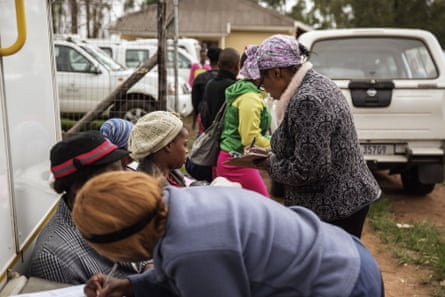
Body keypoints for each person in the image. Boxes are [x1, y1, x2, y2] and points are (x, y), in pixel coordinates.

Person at [73, 170, 384, 297]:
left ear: (123, 242)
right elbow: (180, 272)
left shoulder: (193, 250)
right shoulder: (175, 203)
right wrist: (131, 286)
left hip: (341, 285)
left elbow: (195, 265)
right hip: (341, 252)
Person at [240, 34, 381, 238]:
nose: (265, 90)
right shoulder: (315, 83)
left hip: (335, 207)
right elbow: (306, 144)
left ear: (277, 72)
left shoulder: (307, 101)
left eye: (262, 82)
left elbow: (309, 170)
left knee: (330, 268)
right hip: (340, 201)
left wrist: (268, 163)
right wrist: (270, 153)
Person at [27, 131, 145, 284]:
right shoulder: (54, 257)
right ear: (83, 186)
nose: (127, 178)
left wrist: (148, 271)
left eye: (124, 168)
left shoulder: (112, 211)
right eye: (115, 175)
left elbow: (142, 257)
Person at [215, 49, 272, 196]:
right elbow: (250, 139)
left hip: (234, 158)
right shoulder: (250, 98)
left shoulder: (244, 90)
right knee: (263, 203)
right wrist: (278, 143)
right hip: (236, 161)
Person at [128, 111, 194, 187]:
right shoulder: (151, 188)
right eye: (184, 145)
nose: (187, 151)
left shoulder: (172, 175)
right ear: (168, 146)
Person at [200, 47, 240, 130]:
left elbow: (205, 112)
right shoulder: (235, 87)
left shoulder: (210, 84)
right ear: (236, 67)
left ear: (218, 65)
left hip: (211, 134)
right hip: (229, 137)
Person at [191, 47, 222, 131]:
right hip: (221, 118)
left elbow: (195, 101)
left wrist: (195, 118)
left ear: (208, 58)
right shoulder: (226, 79)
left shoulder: (200, 78)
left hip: (204, 117)